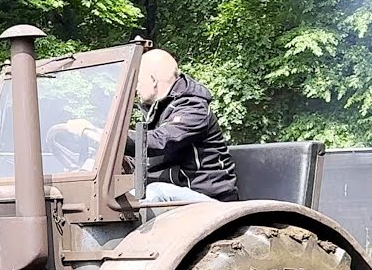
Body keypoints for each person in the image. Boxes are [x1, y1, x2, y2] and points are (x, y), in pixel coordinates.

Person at [62, 49, 239, 203]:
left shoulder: (193, 108)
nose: (135, 88)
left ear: (153, 80)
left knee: (154, 194)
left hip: (207, 198)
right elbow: (148, 156)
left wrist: (95, 133)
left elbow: (157, 142)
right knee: (117, 194)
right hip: (179, 190)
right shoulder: (158, 109)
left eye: (138, 81)